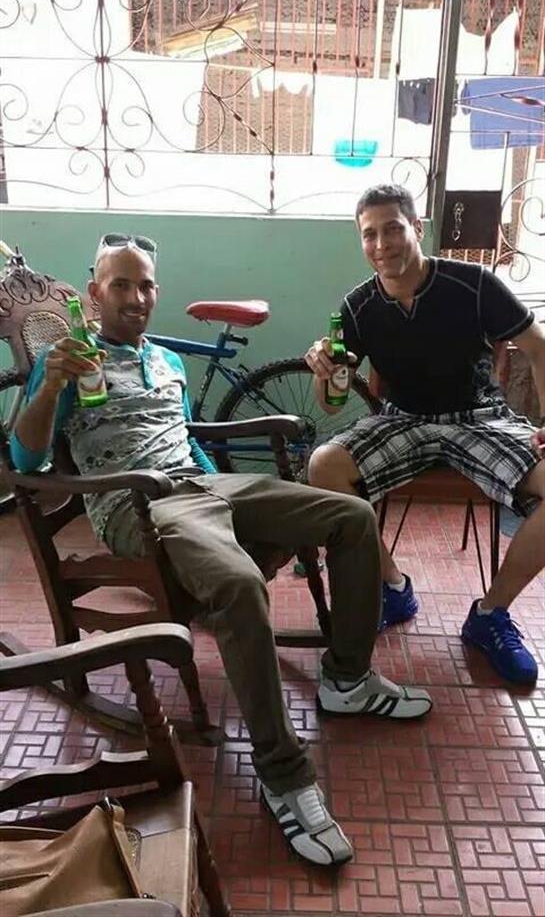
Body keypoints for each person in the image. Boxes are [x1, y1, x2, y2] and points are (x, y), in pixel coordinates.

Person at [10, 234, 432, 868]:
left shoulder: (167, 361)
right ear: (94, 293)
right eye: (120, 285)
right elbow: (25, 460)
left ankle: (346, 678)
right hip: (138, 504)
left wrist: (236, 499)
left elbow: (185, 440)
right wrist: (48, 390)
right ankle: (284, 774)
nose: (135, 296)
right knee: (238, 584)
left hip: (200, 484)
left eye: (145, 284)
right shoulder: (69, 357)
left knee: (349, 515)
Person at [305, 183, 545, 686]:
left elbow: (538, 347)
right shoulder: (356, 306)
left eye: (392, 228)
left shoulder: (473, 283)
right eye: (369, 234)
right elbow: (330, 402)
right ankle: (392, 587)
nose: (382, 244)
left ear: (416, 228)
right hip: (403, 418)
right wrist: (323, 371)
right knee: (322, 465)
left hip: (477, 417)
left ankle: (490, 614)